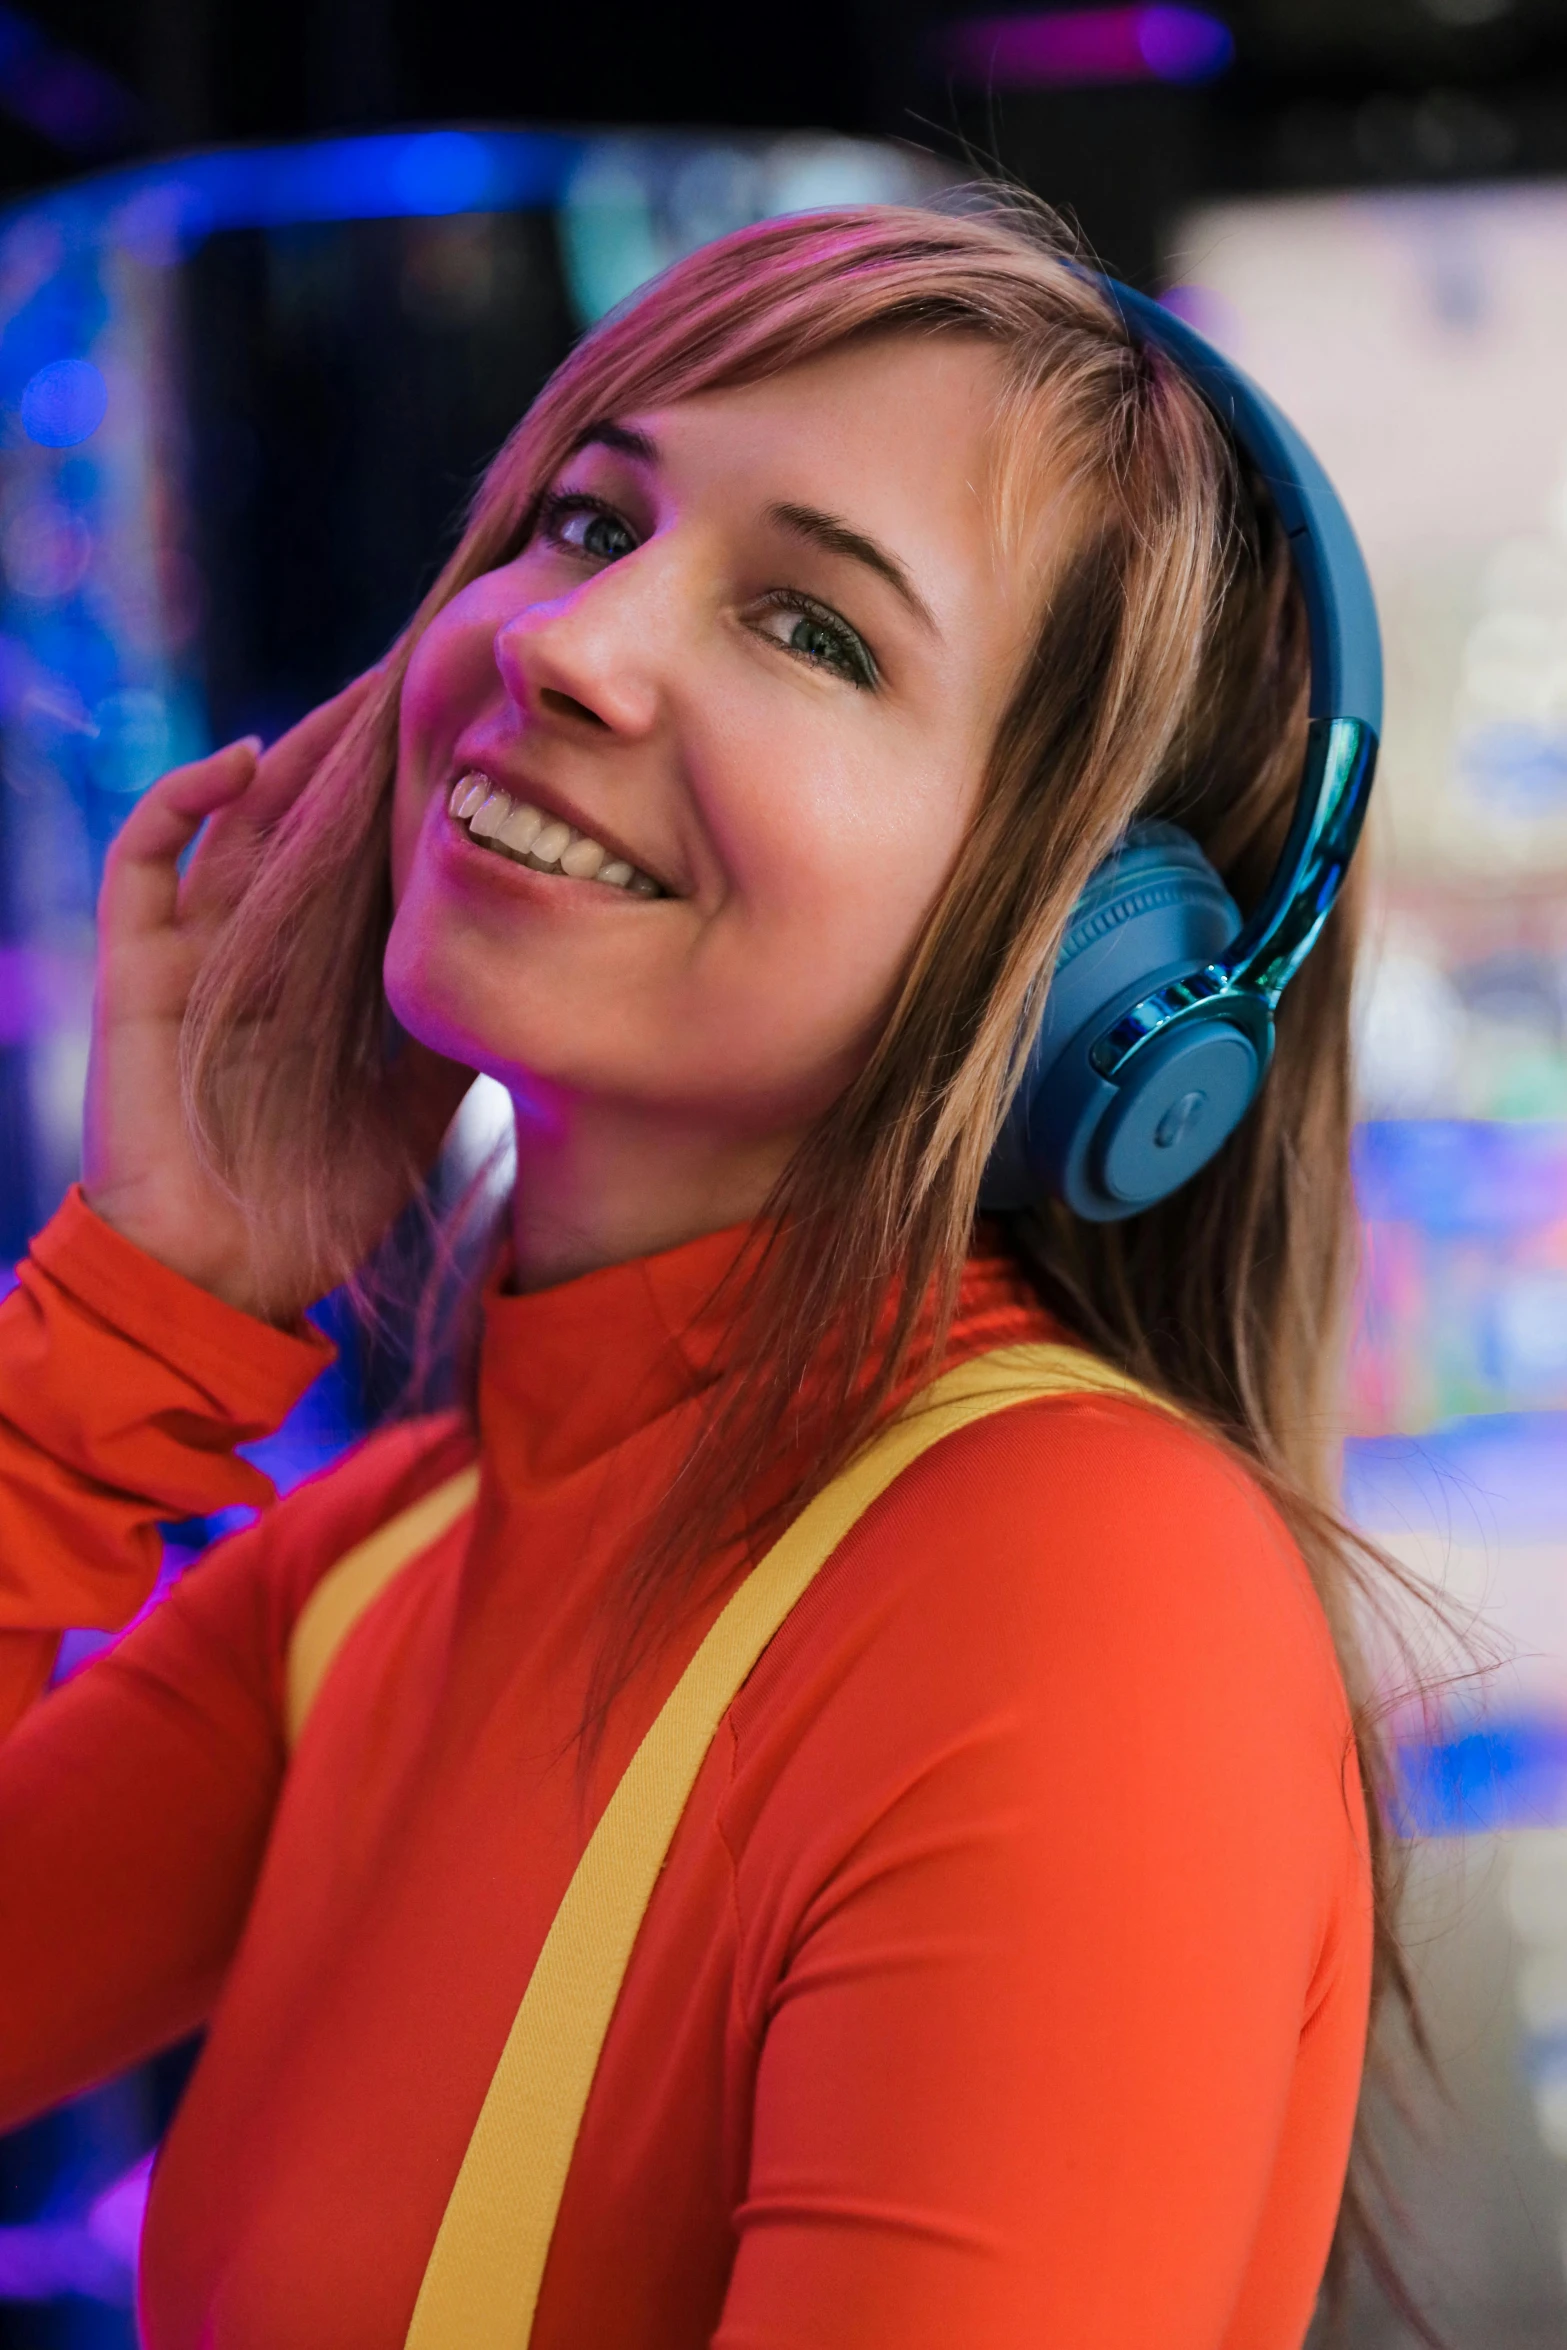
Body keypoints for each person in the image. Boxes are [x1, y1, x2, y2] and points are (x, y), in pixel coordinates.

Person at [0, 199, 1385, 2348]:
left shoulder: (1085, 1593)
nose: (566, 639)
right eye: (580, 515)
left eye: (814, 629)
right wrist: (132, 1308)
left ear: (1089, 954)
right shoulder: (398, 1550)